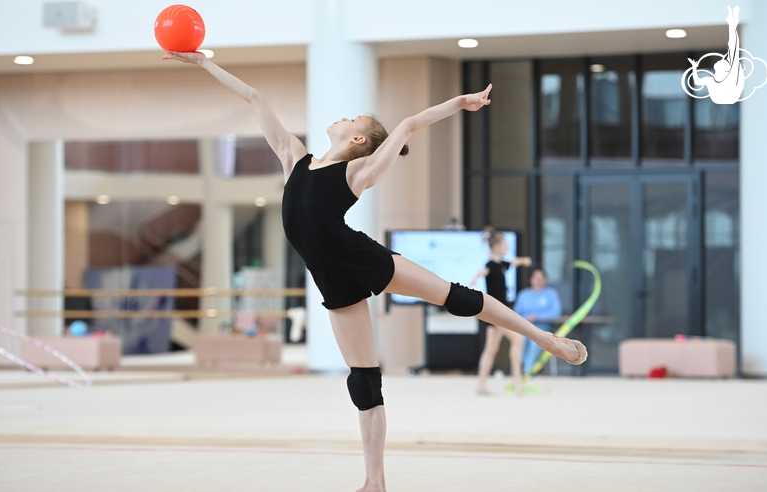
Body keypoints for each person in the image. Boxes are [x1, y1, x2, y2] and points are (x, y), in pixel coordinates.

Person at [163, 51, 587, 492]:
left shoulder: (357, 170)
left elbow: (405, 126)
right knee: (364, 380)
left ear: (360, 141)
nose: (344, 116)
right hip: (328, 277)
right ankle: (375, 482)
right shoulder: (296, 159)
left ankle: (543, 338)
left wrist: (458, 104)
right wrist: (203, 64)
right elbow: (253, 96)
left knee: (458, 298)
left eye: (354, 118)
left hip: (360, 257)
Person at [469, 228, 531, 395]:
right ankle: (518, 384)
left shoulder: (501, 264)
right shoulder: (490, 266)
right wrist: (474, 279)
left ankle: (481, 386)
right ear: (496, 246)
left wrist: (524, 261)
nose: (507, 248)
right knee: (518, 340)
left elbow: (513, 262)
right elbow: (484, 271)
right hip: (497, 313)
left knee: (491, 349)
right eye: (504, 245)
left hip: (496, 312)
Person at [516, 267, 562, 376]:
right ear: (531, 279)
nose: (538, 281)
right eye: (536, 278)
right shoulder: (523, 295)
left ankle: (527, 371)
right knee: (519, 341)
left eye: (541, 278)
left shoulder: (551, 294)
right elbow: (516, 313)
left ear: (545, 280)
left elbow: (555, 312)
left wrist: (537, 316)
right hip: (524, 328)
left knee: (534, 343)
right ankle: (525, 369)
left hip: (543, 327)